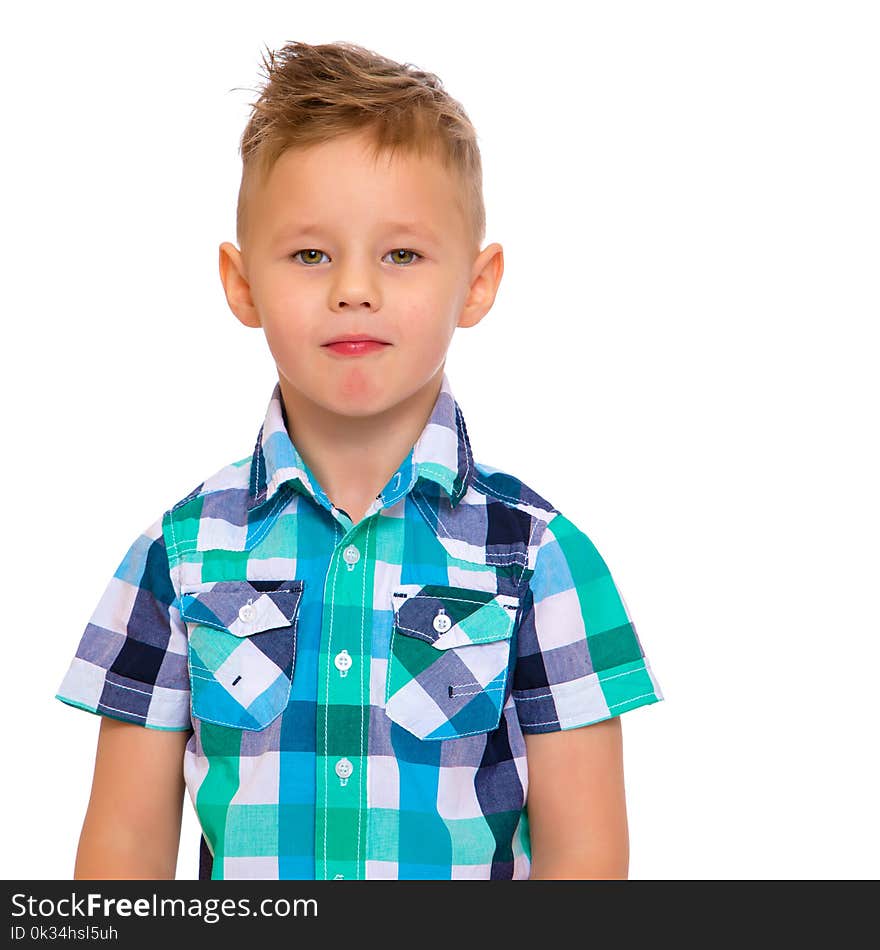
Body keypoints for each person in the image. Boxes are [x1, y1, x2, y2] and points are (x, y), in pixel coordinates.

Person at [56, 39, 664, 881]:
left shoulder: (543, 562)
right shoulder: (178, 557)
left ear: (478, 284)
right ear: (241, 284)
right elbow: (121, 857)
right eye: (311, 254)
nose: (354, 288)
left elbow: (587, 863)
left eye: (401, 254)